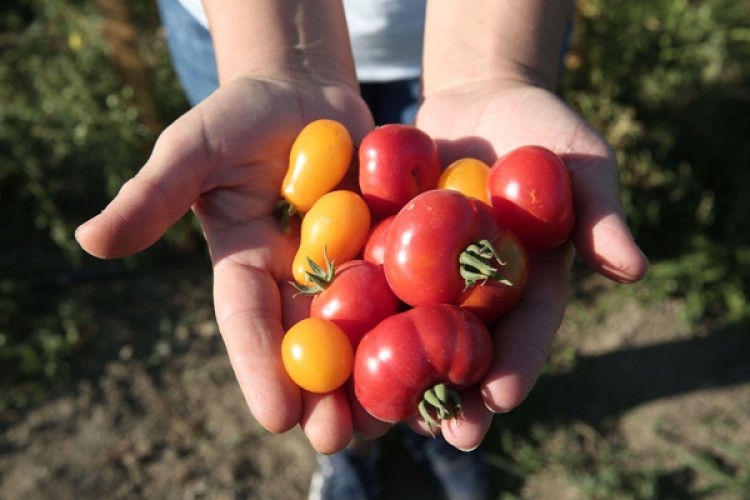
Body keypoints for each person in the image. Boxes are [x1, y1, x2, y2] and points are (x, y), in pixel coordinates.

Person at [75, 1, 649, 498]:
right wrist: (277, 59)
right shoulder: (459, 247)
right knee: (341, 401)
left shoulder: (462, 246)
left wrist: (493, 65)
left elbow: (417, 262)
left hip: (484, 29)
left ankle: (433, 429)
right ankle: (351, 452)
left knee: (418, 381)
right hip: (244, 26)